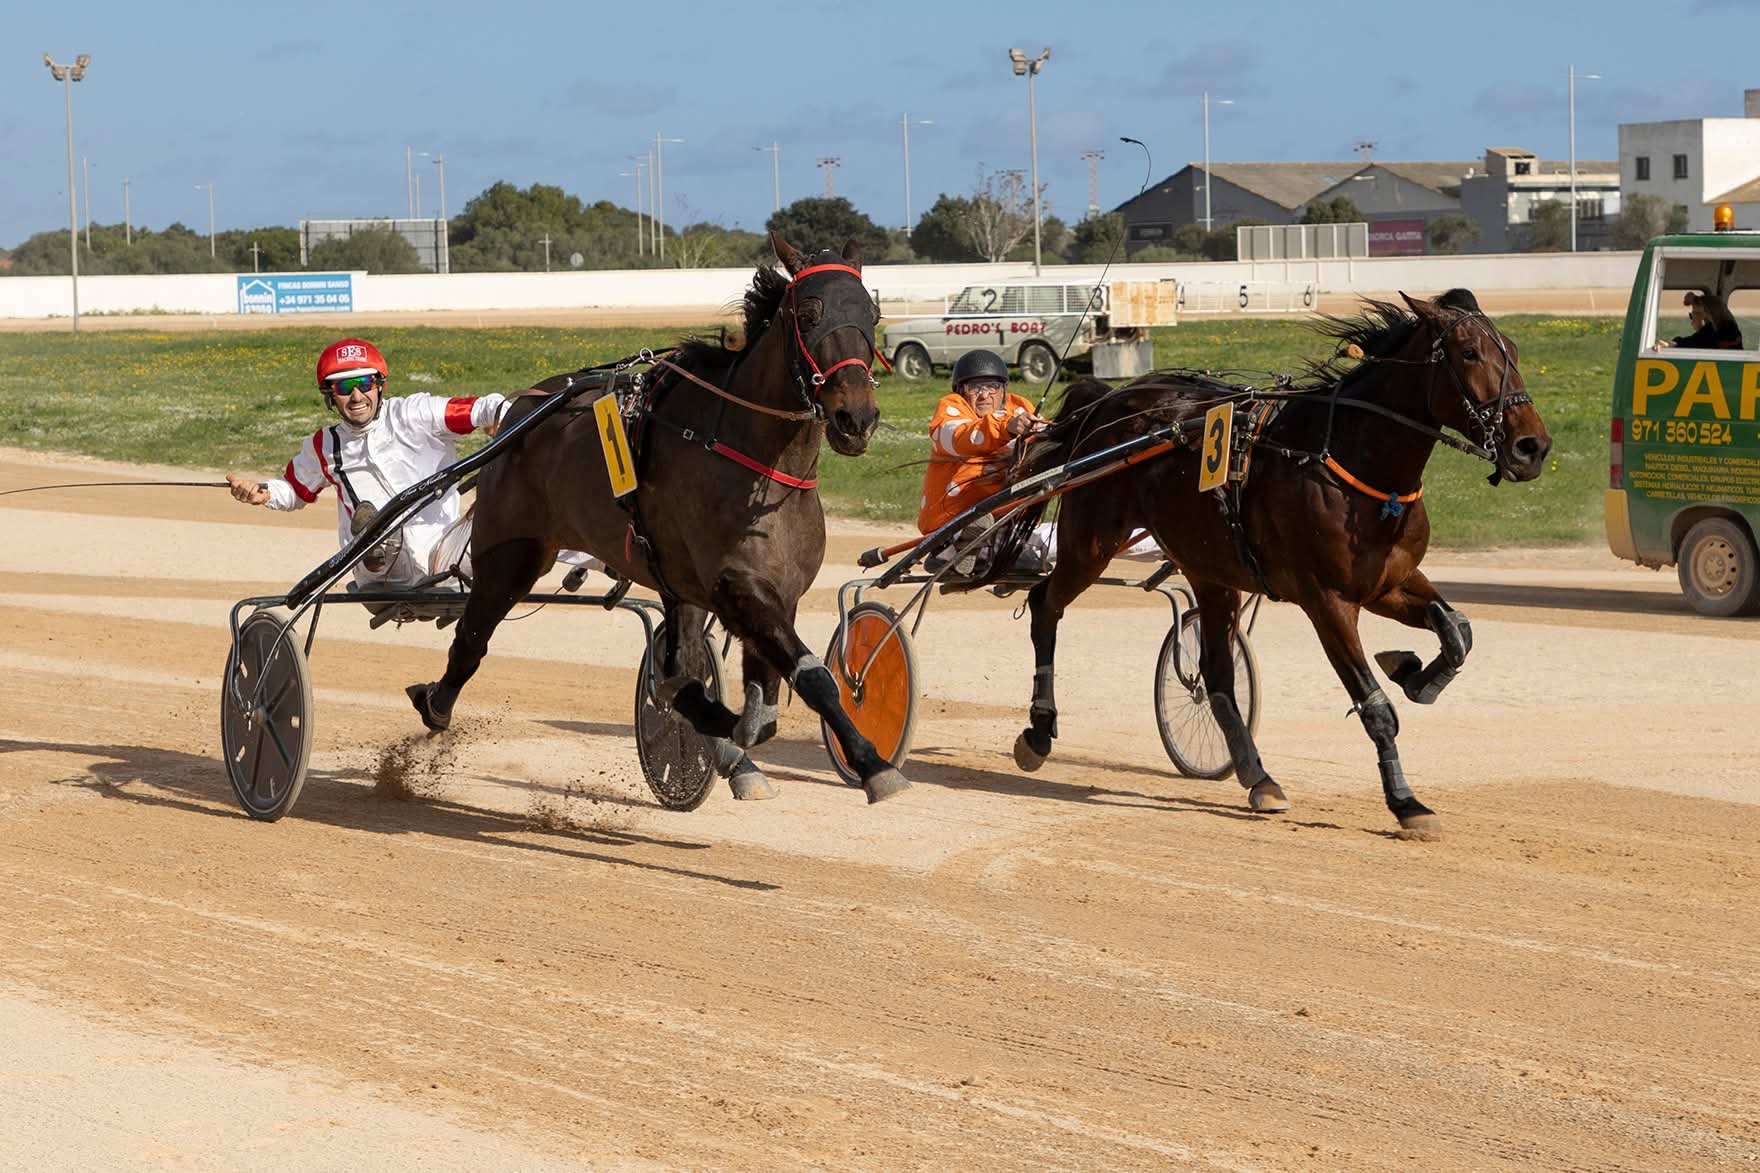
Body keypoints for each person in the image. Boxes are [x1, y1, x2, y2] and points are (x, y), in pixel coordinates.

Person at [226, 337, 600, 588]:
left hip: (448, 557)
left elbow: (480, 407)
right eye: (343, 388)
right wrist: (261, 493)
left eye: (364, 383)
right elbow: (294, 489)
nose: (356, 396)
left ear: (379, 384)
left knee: (523, 518)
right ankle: (374, 532)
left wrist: (502, 415)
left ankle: (608, 555)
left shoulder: (415, 414)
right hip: (381, 570)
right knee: (375, 521)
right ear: (330, 396)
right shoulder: (324, 446)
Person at [1657, 291, 1743, 351]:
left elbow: (1693, 342)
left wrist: (1670, 344)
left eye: (1695, 314)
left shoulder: (1716, 331)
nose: (1693, 318)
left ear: (1706, 316)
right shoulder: (1730, 327)